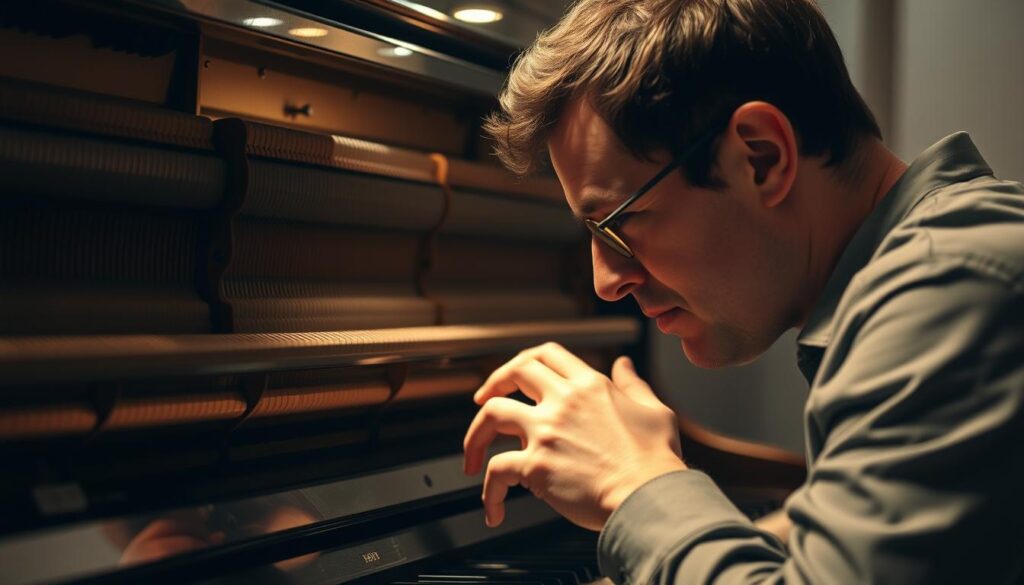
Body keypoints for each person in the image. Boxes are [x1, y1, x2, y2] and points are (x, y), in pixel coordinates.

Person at [461, 0, 1024, 583]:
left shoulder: (951, 289)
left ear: (761, 157)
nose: (606, 282)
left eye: (618, 223)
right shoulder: (934, 273)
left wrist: (631, 483)